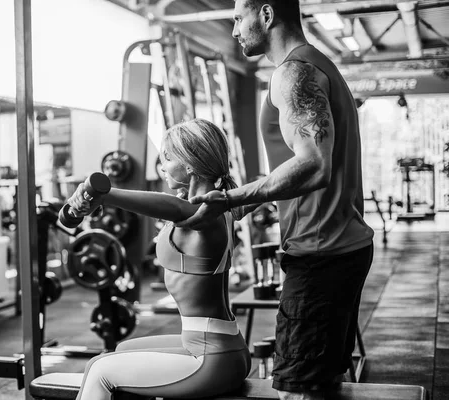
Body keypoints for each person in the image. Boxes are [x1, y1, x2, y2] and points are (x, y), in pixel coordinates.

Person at [175, 1, 375, 399]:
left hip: (321, 253)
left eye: (237, 18)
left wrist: (231, 199)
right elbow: (300, 168)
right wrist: (250, 200)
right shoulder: (315, 65)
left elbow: (314, 165)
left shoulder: (293, 73)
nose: (233, 30)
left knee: (296, 392)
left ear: (265, 15)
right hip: (337, 248)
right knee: (322, 385)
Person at [66, 118, 251, 400]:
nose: (162, 166)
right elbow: (170, 207)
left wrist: (106, 194)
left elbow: (173, 208)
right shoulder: (220, 206)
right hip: (218, 344)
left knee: (99, 371)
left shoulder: (206, 213)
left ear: (189, 165)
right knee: (119, 351)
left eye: (167, 157)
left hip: (210, 356)